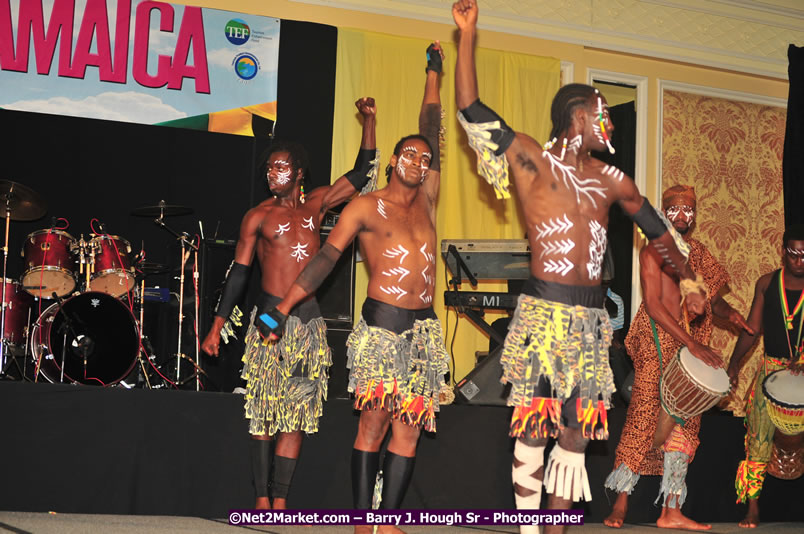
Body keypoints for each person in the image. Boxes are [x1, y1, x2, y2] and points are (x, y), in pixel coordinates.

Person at [451, 2, 717, 533]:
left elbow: (657, 228)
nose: (611, 123)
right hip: (543, 314)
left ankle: (557, 527)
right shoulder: (529, 158)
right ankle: (530, 528)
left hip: (593, 324)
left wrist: (687, 277)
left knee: (576, 433)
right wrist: (468, 36)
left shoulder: (612, 178)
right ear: (580, 116)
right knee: (533, 428)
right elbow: (471, 109)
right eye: (605, 114)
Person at [261, 43, 446, 534]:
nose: (417, 159)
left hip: (424, 335)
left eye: (424, 158)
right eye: (408, 154)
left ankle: (388, 521)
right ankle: (363, 520)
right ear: (392, 161)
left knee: (409, 431)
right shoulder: (365, 207)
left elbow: (431, 129)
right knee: (374, 424)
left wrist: (434, 74)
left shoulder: (428, 197)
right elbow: (325, 259)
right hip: (382, 329)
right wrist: (281, 307)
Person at [200, 97, 378, 510]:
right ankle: (261, 500)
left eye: (280, 167)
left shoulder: (317, 203)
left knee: (296, 415)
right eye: (268, 168)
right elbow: (239, 275)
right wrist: (215, 326)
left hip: (308, 324)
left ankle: (281, 503)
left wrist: (369, 121)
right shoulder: (256, 217)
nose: (271, 174)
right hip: (266, 318)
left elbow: (362, 170)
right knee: (263, 411)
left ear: (297, 173)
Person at [603, 185, 751, 530]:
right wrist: (692, 345)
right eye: (675, 210)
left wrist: (732, 315)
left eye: (689, 210)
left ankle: (671, 509)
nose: (683, 216)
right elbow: (654, 305)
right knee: (643, 415)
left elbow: (710, 300)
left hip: (690, 342)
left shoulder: (698, 253)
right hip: (658, 338)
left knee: (687, 421)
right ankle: (622, 502)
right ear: (663, 213)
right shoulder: (652, 251)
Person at [728, 223, 804, 528]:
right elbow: (752, 330)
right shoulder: (766, 284)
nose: (800, 260)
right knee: (757, 439)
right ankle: (753, 508)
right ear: (783, 252)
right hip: (772, 370)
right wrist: (734, 363)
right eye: (794, 253)